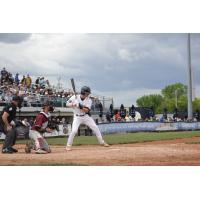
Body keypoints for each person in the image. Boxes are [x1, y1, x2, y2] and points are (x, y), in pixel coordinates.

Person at [65, 86, 109, 151]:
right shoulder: (74, 97)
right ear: (83, 92)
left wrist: (80, 106)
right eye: (87, 93)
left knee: (95, 128)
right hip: (77, 117)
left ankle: (102, 142)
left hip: (86, 116)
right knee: (74, 131)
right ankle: (68, 145)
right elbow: (67, 104)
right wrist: (73, 104)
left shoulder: (89, 100)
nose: (88, 94)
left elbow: (86, 110)